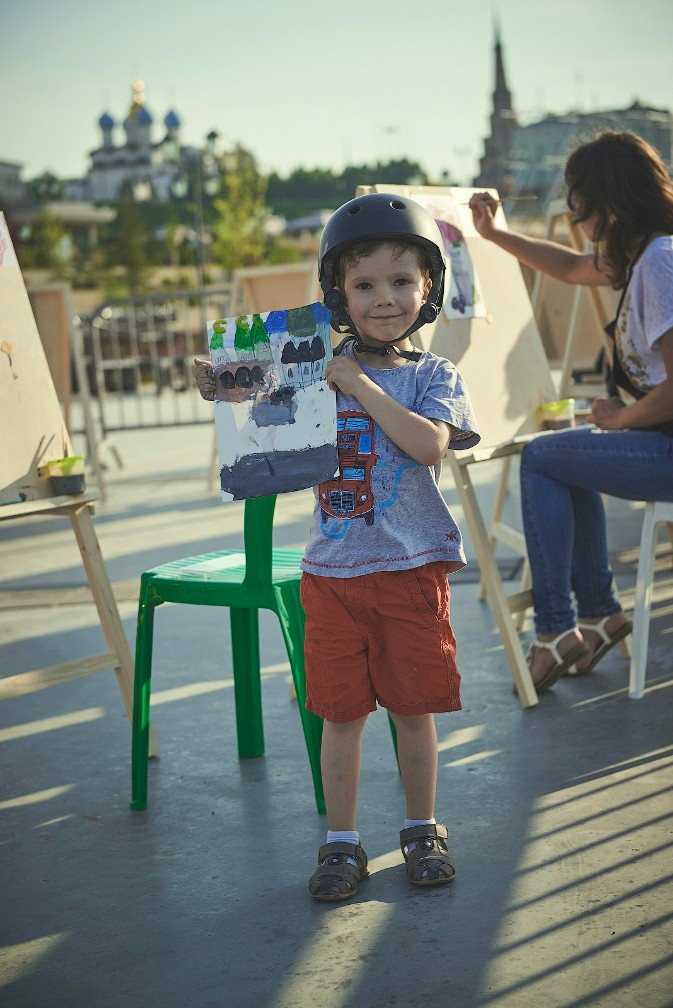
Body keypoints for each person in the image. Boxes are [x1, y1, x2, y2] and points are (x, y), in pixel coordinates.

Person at [194, 193, 480, 900]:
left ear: (428, 288)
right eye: (364, 284)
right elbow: (257, 426)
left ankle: (421, 828)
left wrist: (357, 382)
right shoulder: (315, 366)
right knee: (341, 715)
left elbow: (426, 445)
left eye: (400, 281)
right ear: (338, 295)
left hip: (410, 573)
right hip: (331, 579)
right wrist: (228, 382)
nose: (383, 298)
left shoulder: (433, 376)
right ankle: (342, 841)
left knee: (412, 710)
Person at [469, 129, 673, 694]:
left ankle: (555, 630)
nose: (575, 218)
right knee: (563, 457)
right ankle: (600, 613)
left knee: (540, 458)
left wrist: (620, 419)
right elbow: (572, 266)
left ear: (610, 206)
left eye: (578, 205)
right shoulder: (644, 255)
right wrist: (496, 235)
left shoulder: (658, 263)